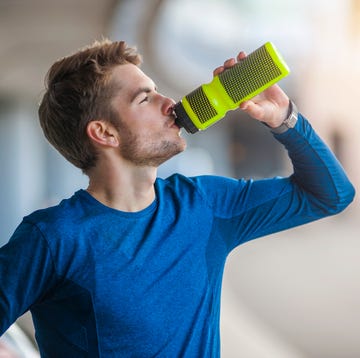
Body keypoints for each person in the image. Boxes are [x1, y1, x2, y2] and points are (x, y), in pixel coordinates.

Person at [0, 38, 355, 357]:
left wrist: (283, 118)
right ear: (104, 132)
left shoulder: (204, 203)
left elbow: (330, 194)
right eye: (145, 97)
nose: (169, 102)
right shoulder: (52, 237)